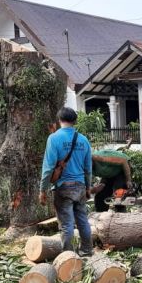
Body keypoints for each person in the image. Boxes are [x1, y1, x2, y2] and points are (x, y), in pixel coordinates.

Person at [39, 107, 93, 255]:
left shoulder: (54, 138)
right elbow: (88, 168)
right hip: (81, 186)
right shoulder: (83, 140)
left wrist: (42, 190)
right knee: (82, 220)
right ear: (75, 121)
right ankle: (87, 250)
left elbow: (48, 167)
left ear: (59, 120)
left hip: (63, 187)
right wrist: (88, 187)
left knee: (66, 224)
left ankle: (68, 256)